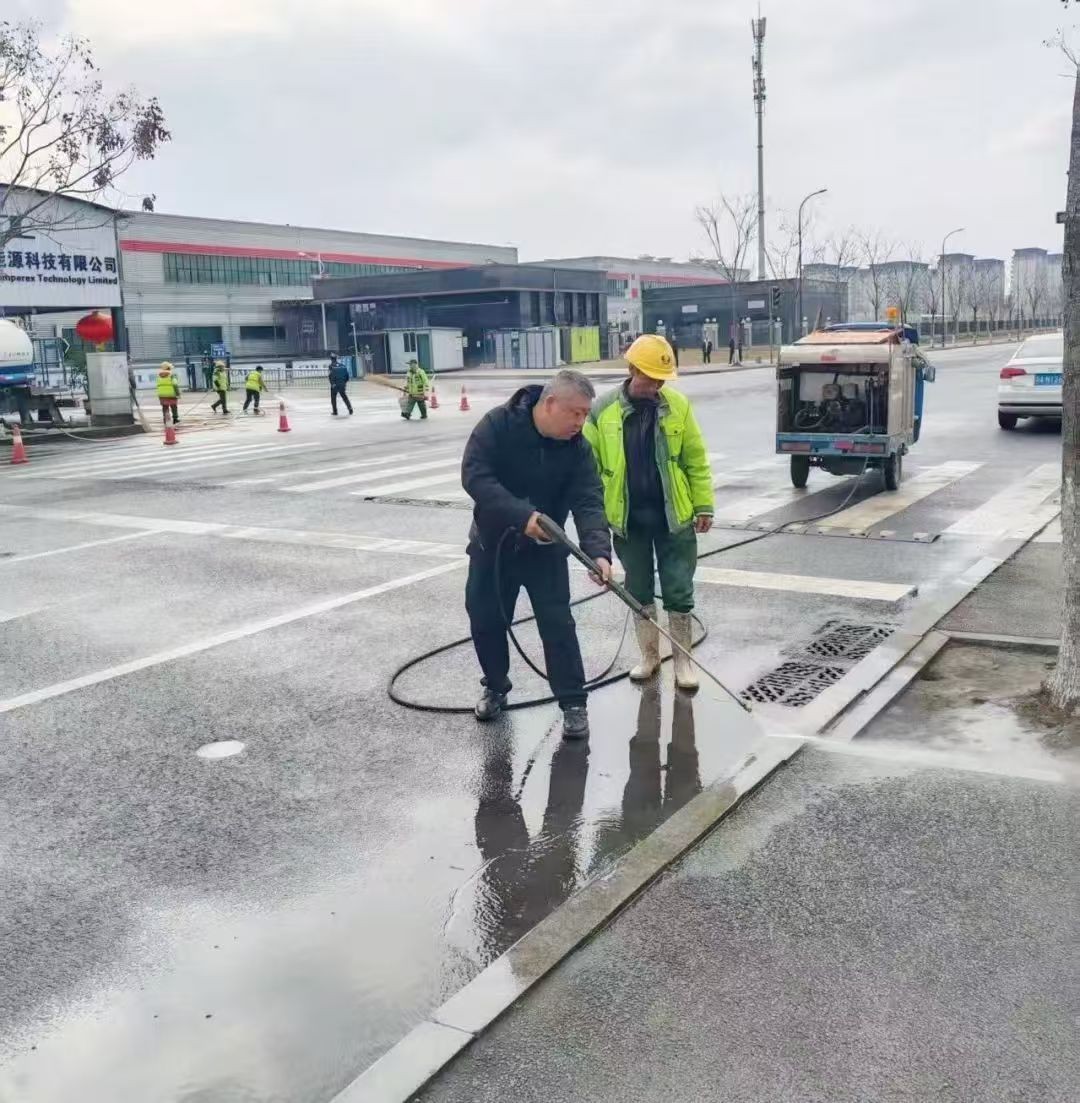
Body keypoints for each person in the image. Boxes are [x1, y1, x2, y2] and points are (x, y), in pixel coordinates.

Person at [461, 369, 612, 740]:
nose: (581, 422)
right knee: (486, 620)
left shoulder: (578, 448)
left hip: (546, 552)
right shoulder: (498, 425)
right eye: (575, 413)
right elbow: (475, 477)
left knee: (558, 624)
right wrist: (520, 515)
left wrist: (599, 552)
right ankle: (496, 687)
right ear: (550, 403)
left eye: (585, 414)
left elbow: (589, 499)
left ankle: (574, 703)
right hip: (493, 547)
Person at [583, 333, 714, 691]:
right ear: (631, 369)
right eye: (649, 377)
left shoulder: (677, 406)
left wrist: (704, 504)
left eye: (661, 380)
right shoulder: (602, 411)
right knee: (638, 589)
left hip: (674, 517)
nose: (655, 385)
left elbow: (695, 460)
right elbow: (588, 471)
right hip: (628, 521)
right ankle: (649, 656)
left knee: (678, 588)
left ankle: (683, 663)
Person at [155, 361, 181, 425]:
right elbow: (175, 384)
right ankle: (175, 419)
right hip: (171, 394)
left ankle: (166, 420)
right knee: (174, 406)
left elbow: (158, 385)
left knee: (165, 407)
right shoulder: (172, 375)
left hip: (162, 395)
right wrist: (178, 393)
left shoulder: (159, 375)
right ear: (169, 368)